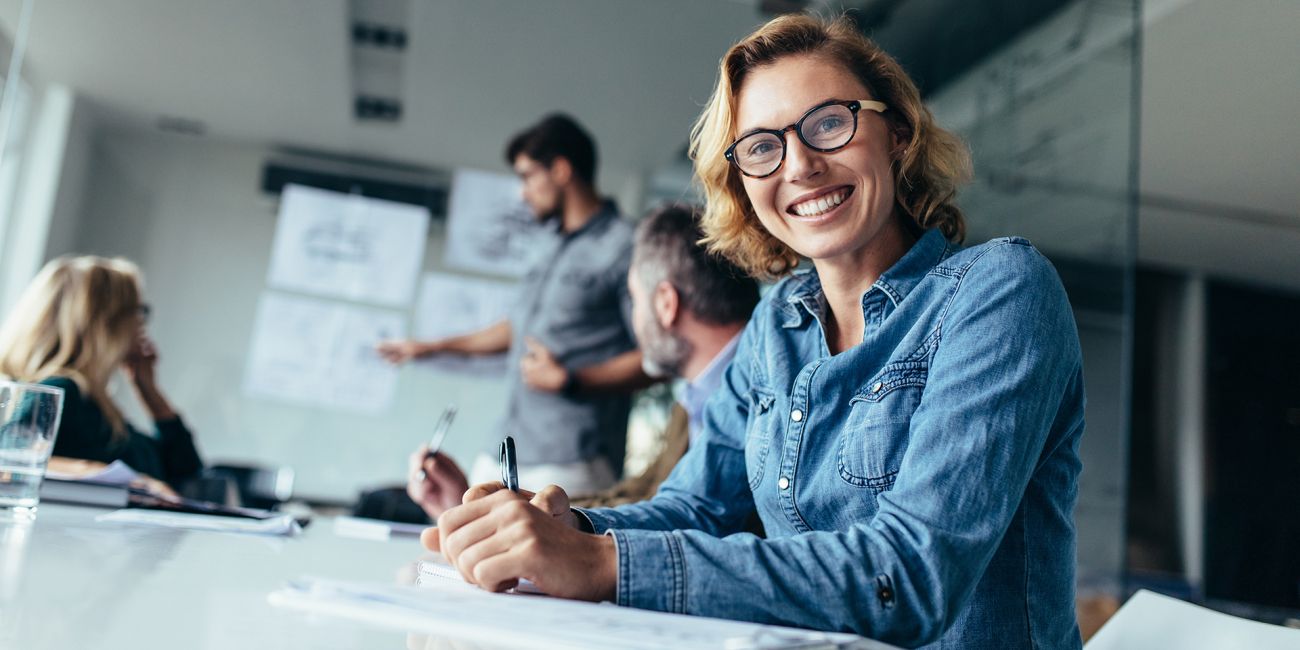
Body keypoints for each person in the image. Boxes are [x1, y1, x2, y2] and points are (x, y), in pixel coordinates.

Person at [422, 14, 1086, 649]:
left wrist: (602, 562)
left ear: (898, 135)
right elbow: (697, 506)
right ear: (742, 182)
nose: (799, 166)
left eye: (830, 123)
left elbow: (909, 576)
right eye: (763, 147)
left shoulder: (1001, 290)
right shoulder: (778, 322)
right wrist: (563, 527)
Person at [407, 204, 760, 518]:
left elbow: (680, 525)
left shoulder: (760, 399)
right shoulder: (693, 404)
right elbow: (642, 499)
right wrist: (483, 512)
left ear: (666, 305)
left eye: (635, 301)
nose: (633, 325)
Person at [377, 114, 655, 494]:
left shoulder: (627, 246)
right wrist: (431, 347)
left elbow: (658, 357)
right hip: (502, 449)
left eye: (527, 177)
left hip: (570, 462)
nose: (523, 193)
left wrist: (573, 381)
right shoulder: (546, 246)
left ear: (560, 170)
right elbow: (518, 327)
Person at [0, 256, 203, 493]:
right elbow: (12, 459)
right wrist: (131, 482)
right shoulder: (63, 389)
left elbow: (186, 469)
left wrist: (148, 389)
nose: (141, 324)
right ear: (104, 321)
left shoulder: (94, 403)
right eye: (137, 311)